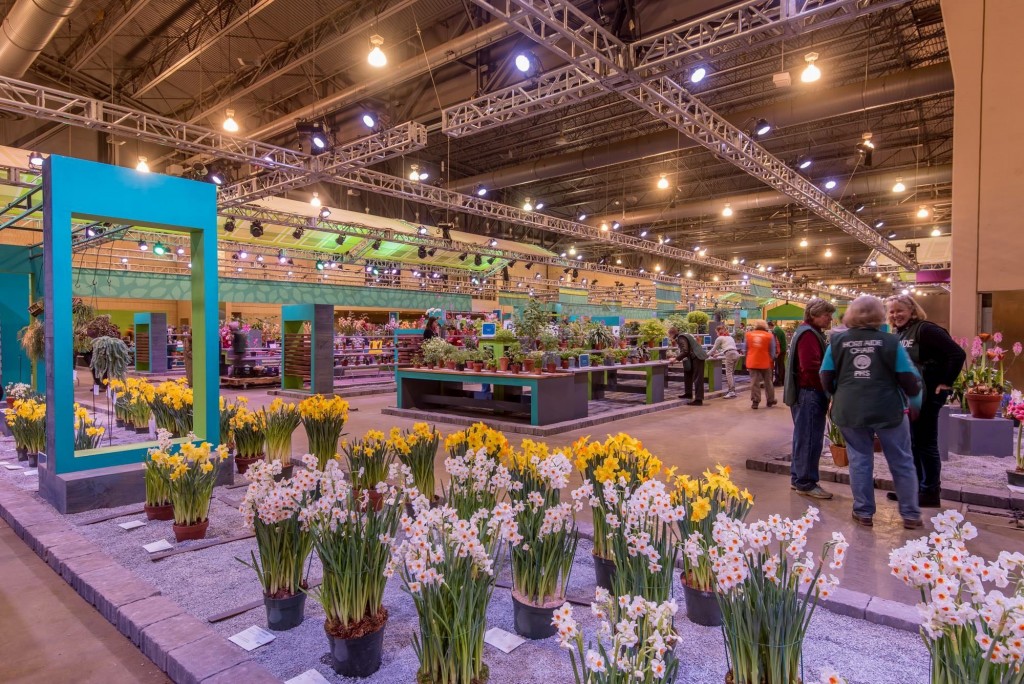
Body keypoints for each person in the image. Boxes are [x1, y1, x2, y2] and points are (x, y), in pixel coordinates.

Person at [820, 296, 923, 529]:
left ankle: (863, 511)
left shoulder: (836, 342)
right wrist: (914, 401)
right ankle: (910, 514)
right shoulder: (890, 341)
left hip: (849, 409)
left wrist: (838, 393)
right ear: (880, 314)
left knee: (859, 459)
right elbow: (908, 379)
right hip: (888, 409)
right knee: (902, 460)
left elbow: (825, 376)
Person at [885, 294, 966, 508]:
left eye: (899, 310)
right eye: (892, 311)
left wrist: (946, 383)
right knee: (914, 442)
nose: (895, 315)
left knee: (925, 443)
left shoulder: (926, 329)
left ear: (912, 309)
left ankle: (930, 491)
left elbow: (957, 354)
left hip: (928, 394)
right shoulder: (900, 332)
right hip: (911, 396)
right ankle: (915, 488)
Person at [784, 298, 836, 499]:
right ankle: (806, 483)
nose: (830, 318)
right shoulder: (808, 335)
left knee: (803, 437)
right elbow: (811, 367)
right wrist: (827, 389)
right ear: (814, 314)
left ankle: (798, 478)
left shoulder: (805, 331)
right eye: (826, 314)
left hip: (804, 393)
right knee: (810, 440)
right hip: (810, 393)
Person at [671, 327, 708, 405]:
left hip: (697, 356)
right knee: (688, 373)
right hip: (693, 357)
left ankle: (698, 399)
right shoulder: (684, 335)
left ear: (672, 334)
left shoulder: (681, 337)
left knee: (698, 378)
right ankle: (688, 393)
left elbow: (685, 350)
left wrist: (675, 359)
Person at [745, 320, 776, 409]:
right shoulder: (769, 336)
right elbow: (772, 351)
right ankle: (770, 400)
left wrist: (748, 358)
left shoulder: (748, 335)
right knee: (768, 382)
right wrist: (771, 358)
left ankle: (755, 401)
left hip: (752, 361)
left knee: (754, 382)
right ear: (765, 326)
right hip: (765, 362)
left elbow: (746, 349)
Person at [709, 325, 739, 398]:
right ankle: (733, 391)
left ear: (719, 331)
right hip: (736, 354)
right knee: (731, 373)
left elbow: (713, 349)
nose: (716, 334)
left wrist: (704, 356)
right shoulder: (730, 337)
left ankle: (731, 391)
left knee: (728, 373)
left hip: (730, 354)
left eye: (716, 332)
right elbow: (729, 348)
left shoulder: (719, 338)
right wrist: (718, 354)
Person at [772, 320, 788, 386]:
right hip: (782, 350)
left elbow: (776, 343)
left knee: (778, 366)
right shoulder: (778, 329)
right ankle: (782, 380)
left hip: (780, 351)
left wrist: (776, 352)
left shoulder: (776, 331)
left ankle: (779, 381)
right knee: (781, 365)